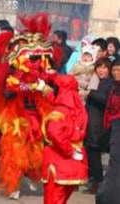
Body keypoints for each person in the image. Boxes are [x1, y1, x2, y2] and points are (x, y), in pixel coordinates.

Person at [42, 75, 88, 204]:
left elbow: (54, 133)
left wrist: (68, 150)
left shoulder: (60, 110)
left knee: (53, 199)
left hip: (58, 159)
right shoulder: (79, 109)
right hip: (75, 159)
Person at [85, 58, 114, 194]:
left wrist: (91, 93)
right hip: (91, 122)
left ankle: (99, 183)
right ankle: (95, 181)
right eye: (99, 67)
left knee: (95, 154)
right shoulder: (95, 80)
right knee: (91, 154)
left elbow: (106, 101)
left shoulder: (110, 83)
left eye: (104, 68)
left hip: (99, 125)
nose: (101, 70)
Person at [97, 59, 120, 204]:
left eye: (119, 70)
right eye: (115, 70)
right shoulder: (113, 87)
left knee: (115, 164)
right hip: (113, 127)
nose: (116, 73)